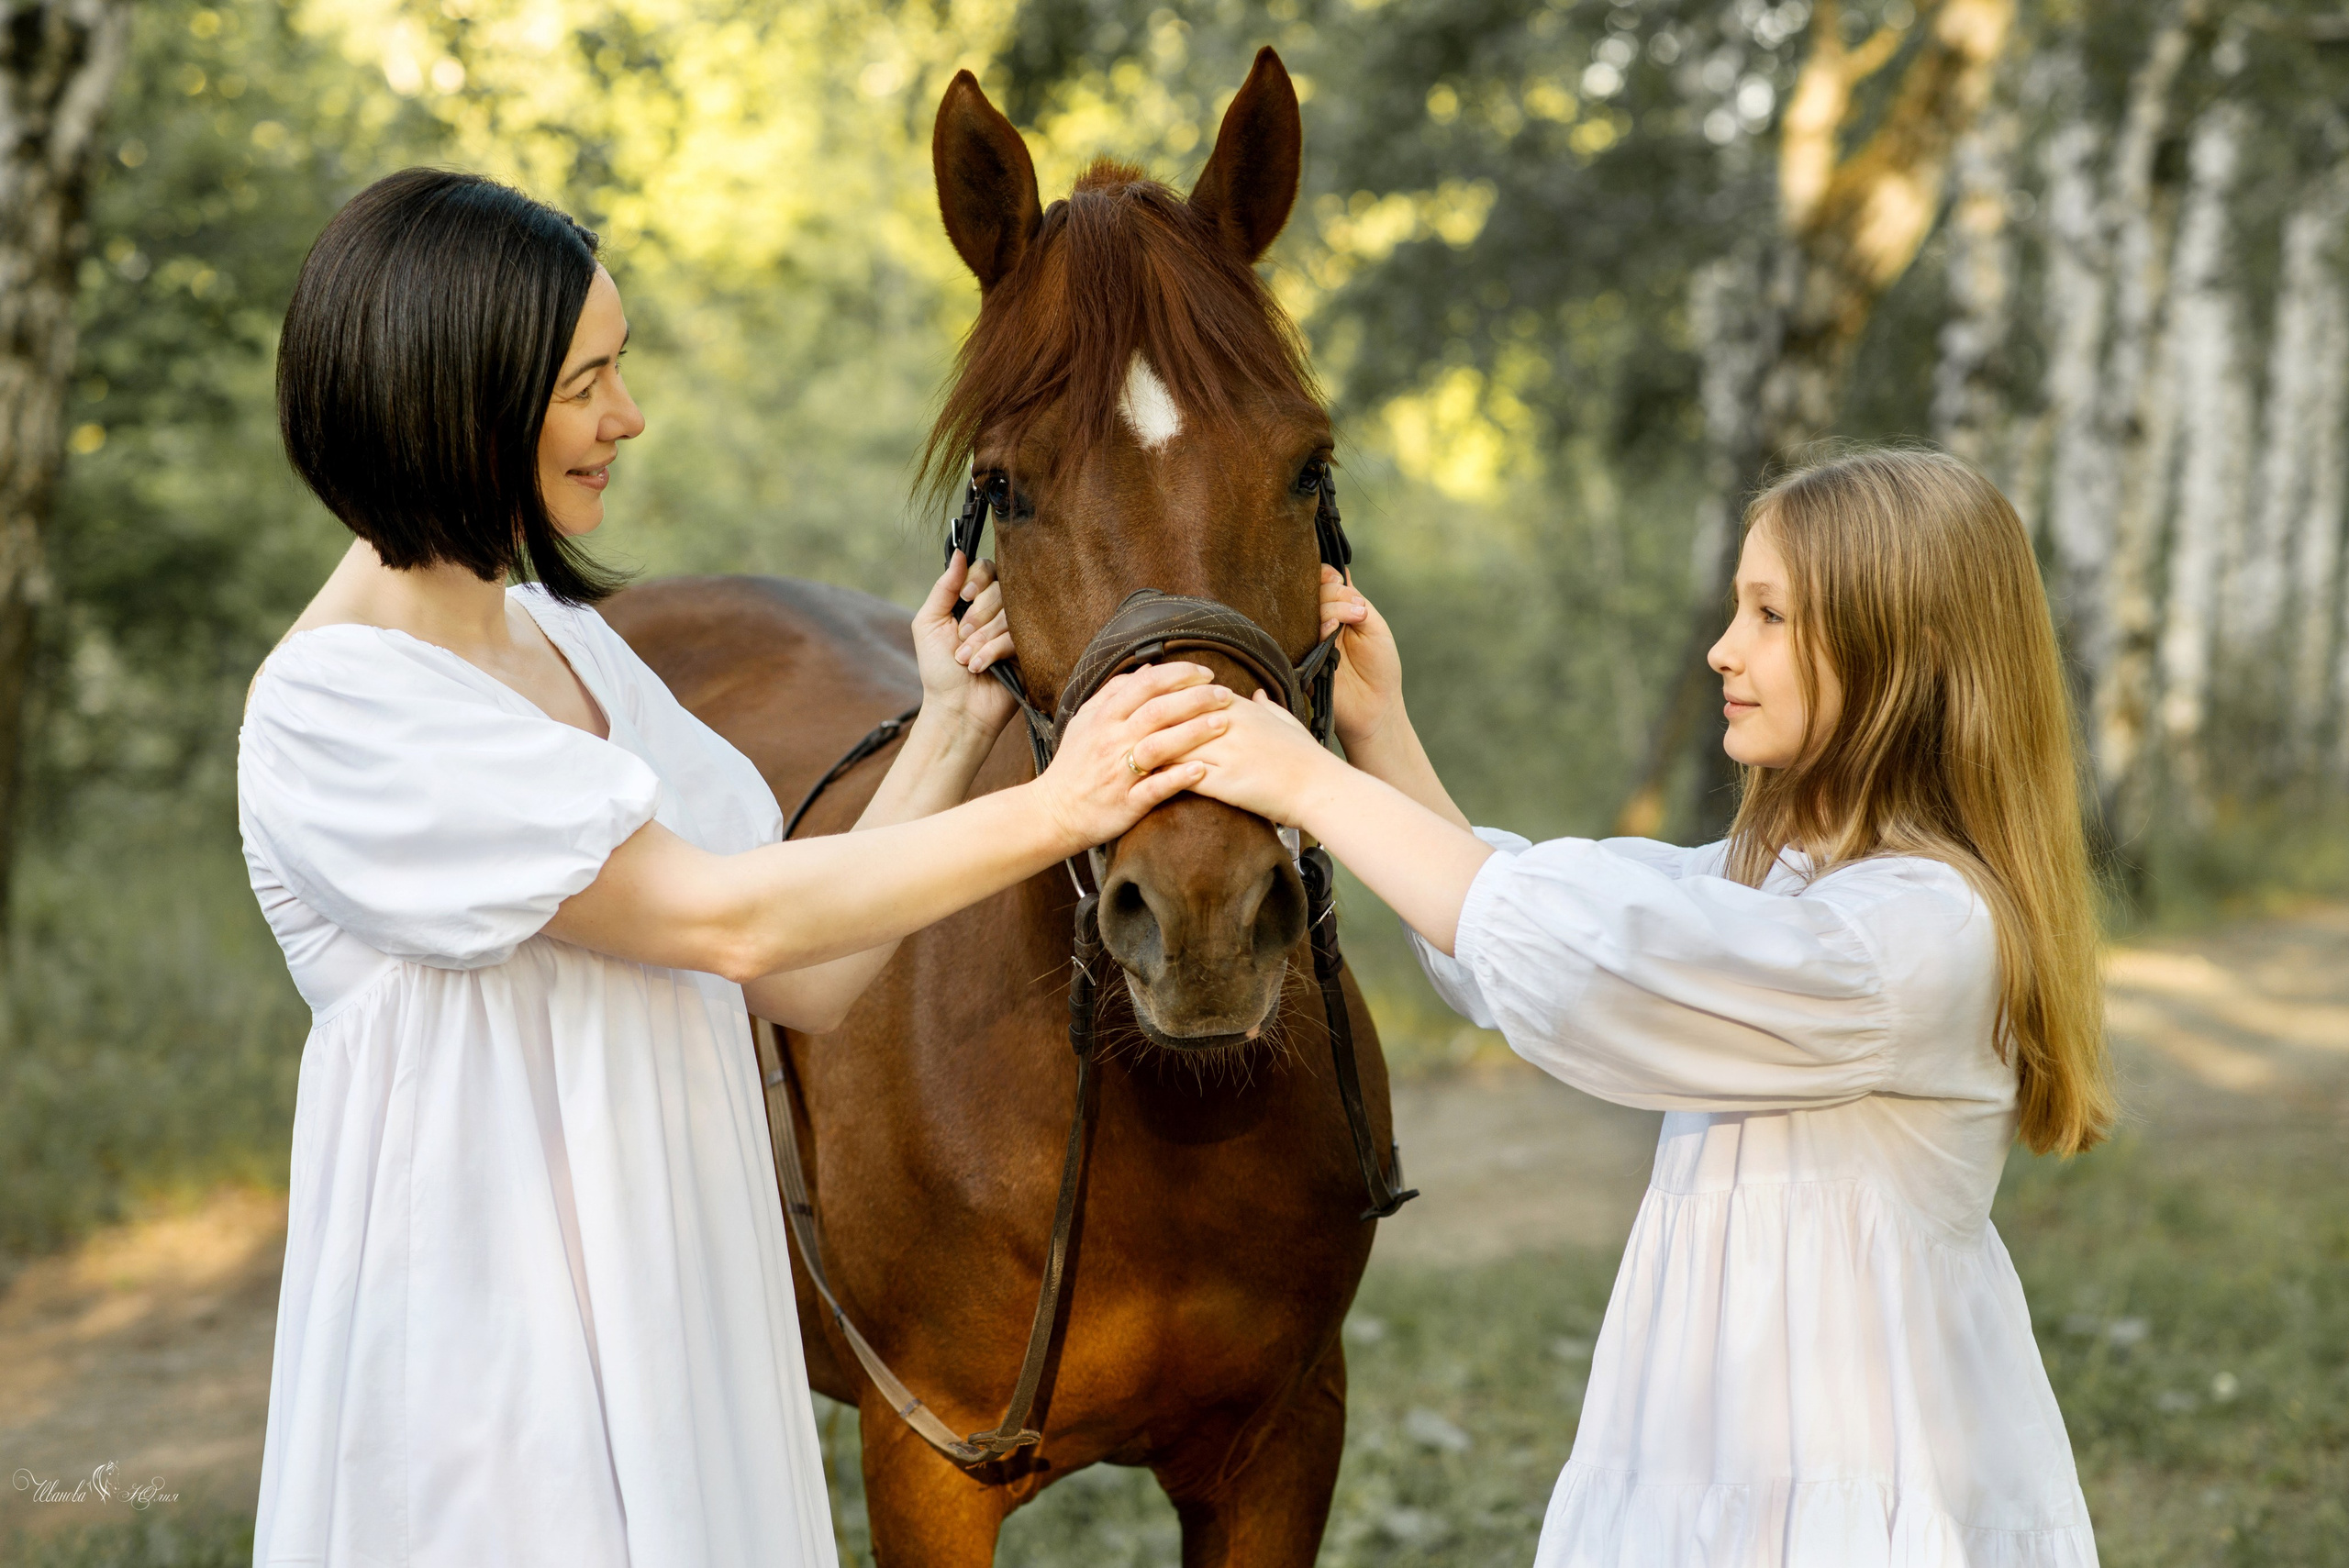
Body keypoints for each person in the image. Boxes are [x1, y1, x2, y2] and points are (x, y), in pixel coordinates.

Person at [237, 168, 1231, 1568]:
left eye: (620, 370)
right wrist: (1071, 804)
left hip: (669, 1289)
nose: (626, 418)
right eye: (588, 382)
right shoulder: (338, 709)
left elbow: (809, 971)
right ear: (455, 397)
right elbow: (723, 922)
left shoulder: (565, 645)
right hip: (495, 1328)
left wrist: (951, 725)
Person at [1180, 447, 2110, 1565]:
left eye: (1769, 614)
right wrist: (1378, 737)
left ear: (1897, 657)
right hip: (1713, 1436)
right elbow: (1523, 918)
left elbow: (1592, 960)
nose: (1725, 647)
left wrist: (1308, 784)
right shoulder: (1778, 878)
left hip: (1844, 1460)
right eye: (1737, 606)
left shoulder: (1913, 932)